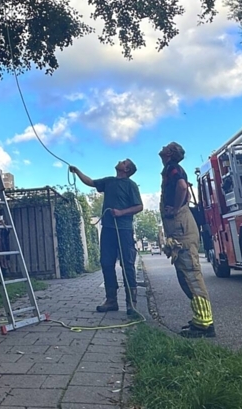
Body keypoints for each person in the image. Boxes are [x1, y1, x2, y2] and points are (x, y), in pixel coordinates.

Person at [69, 160, 144, 316]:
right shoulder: (109, 181)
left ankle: (131, 303)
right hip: (108, 229)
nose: (120, 161)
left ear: (127, 169)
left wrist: (121, 212)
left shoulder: (131, 185)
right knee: (106, 263)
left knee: (127, 264)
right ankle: (111, 301)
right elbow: (90, 182)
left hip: (124, 230)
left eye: (124, 162)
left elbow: (139, 206)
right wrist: (77, 171)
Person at [159, 141, 215, 338]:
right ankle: (200, 318)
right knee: (185, 275)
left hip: (181, 227)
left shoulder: (172, 168)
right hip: (181, 227)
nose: (163, 147)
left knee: (190, 274)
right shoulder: (171, 169)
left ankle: (205, 325)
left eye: (167, 146)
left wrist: (175, 209)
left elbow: (182, 187)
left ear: (170, 153)